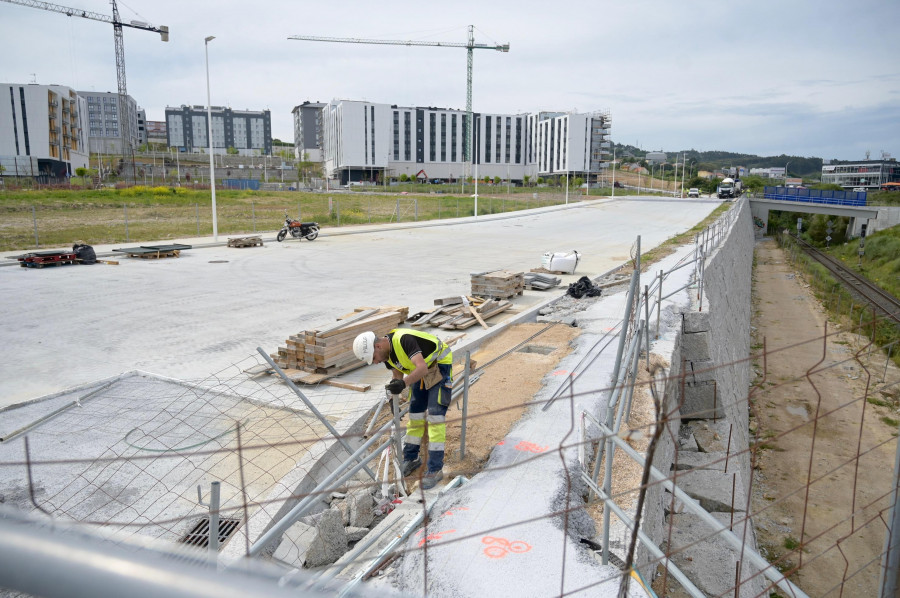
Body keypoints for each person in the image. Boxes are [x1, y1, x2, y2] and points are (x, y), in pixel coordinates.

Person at [353, 328, 452, 490]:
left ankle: (435, 469)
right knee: (416, 415)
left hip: (438, 366)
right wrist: (393, 399)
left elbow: (422, 368)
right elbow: (397, 375)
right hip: (420, 371)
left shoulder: (404, 340)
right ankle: (412, 458)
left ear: (378, 347)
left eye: (374, 358)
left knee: (435, 417)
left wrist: (404, 384)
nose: (376, 362)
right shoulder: (386, 355)